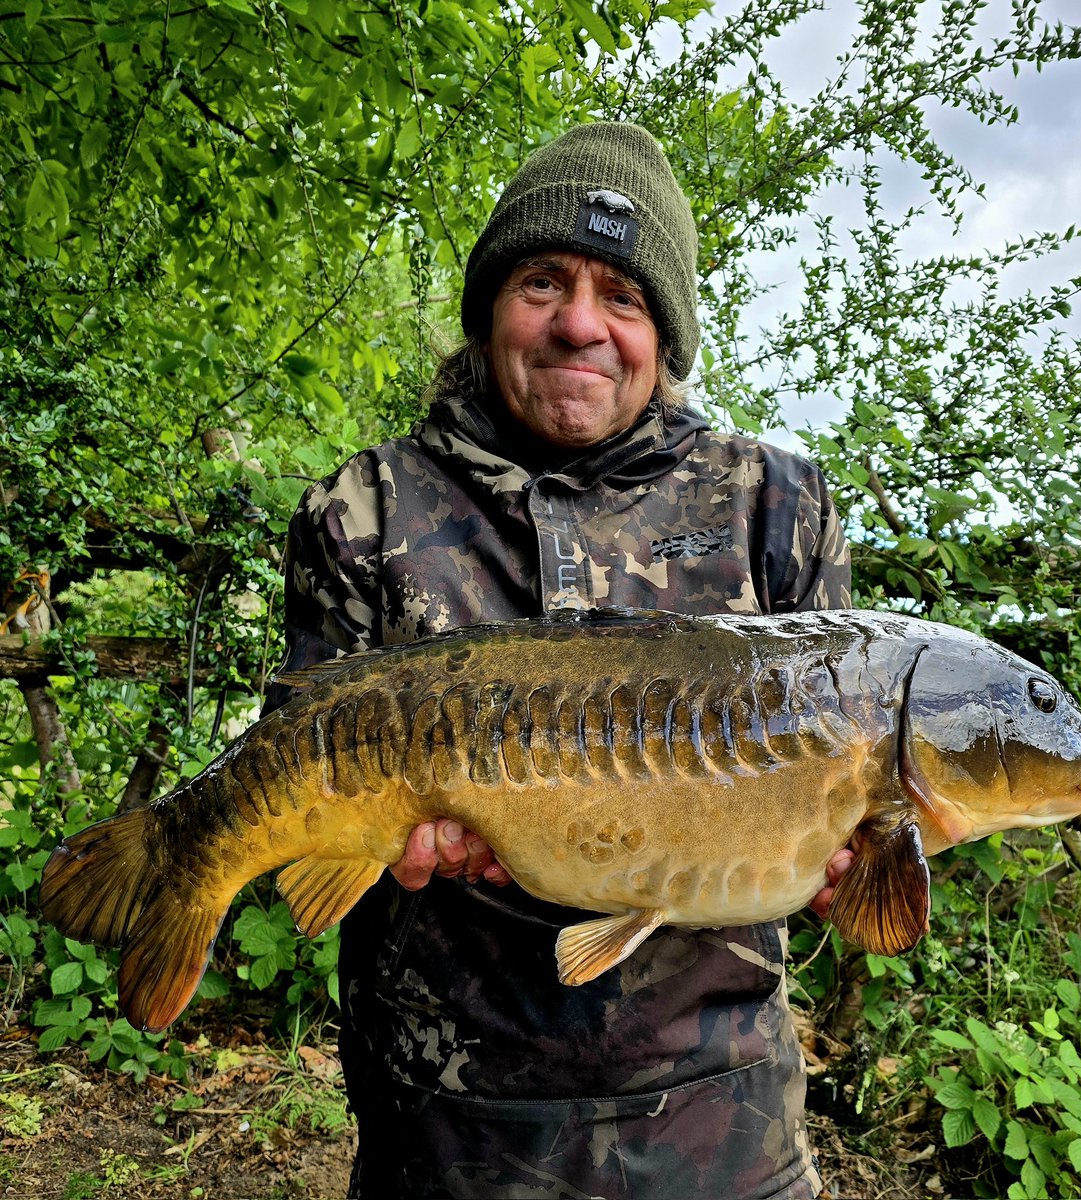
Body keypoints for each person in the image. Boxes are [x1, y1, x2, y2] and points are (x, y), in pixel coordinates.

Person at [270, 122, 854, 1199]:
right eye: (543, 280)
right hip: (449, 1125)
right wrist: (386, 826)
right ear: (491, 303)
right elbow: (306, 779)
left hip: (722, 1122)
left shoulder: (778, 505)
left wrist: (847, 854)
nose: (580, 323)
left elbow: (835, 776)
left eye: (622, 297)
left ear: (663, 334)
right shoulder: (362, 511)